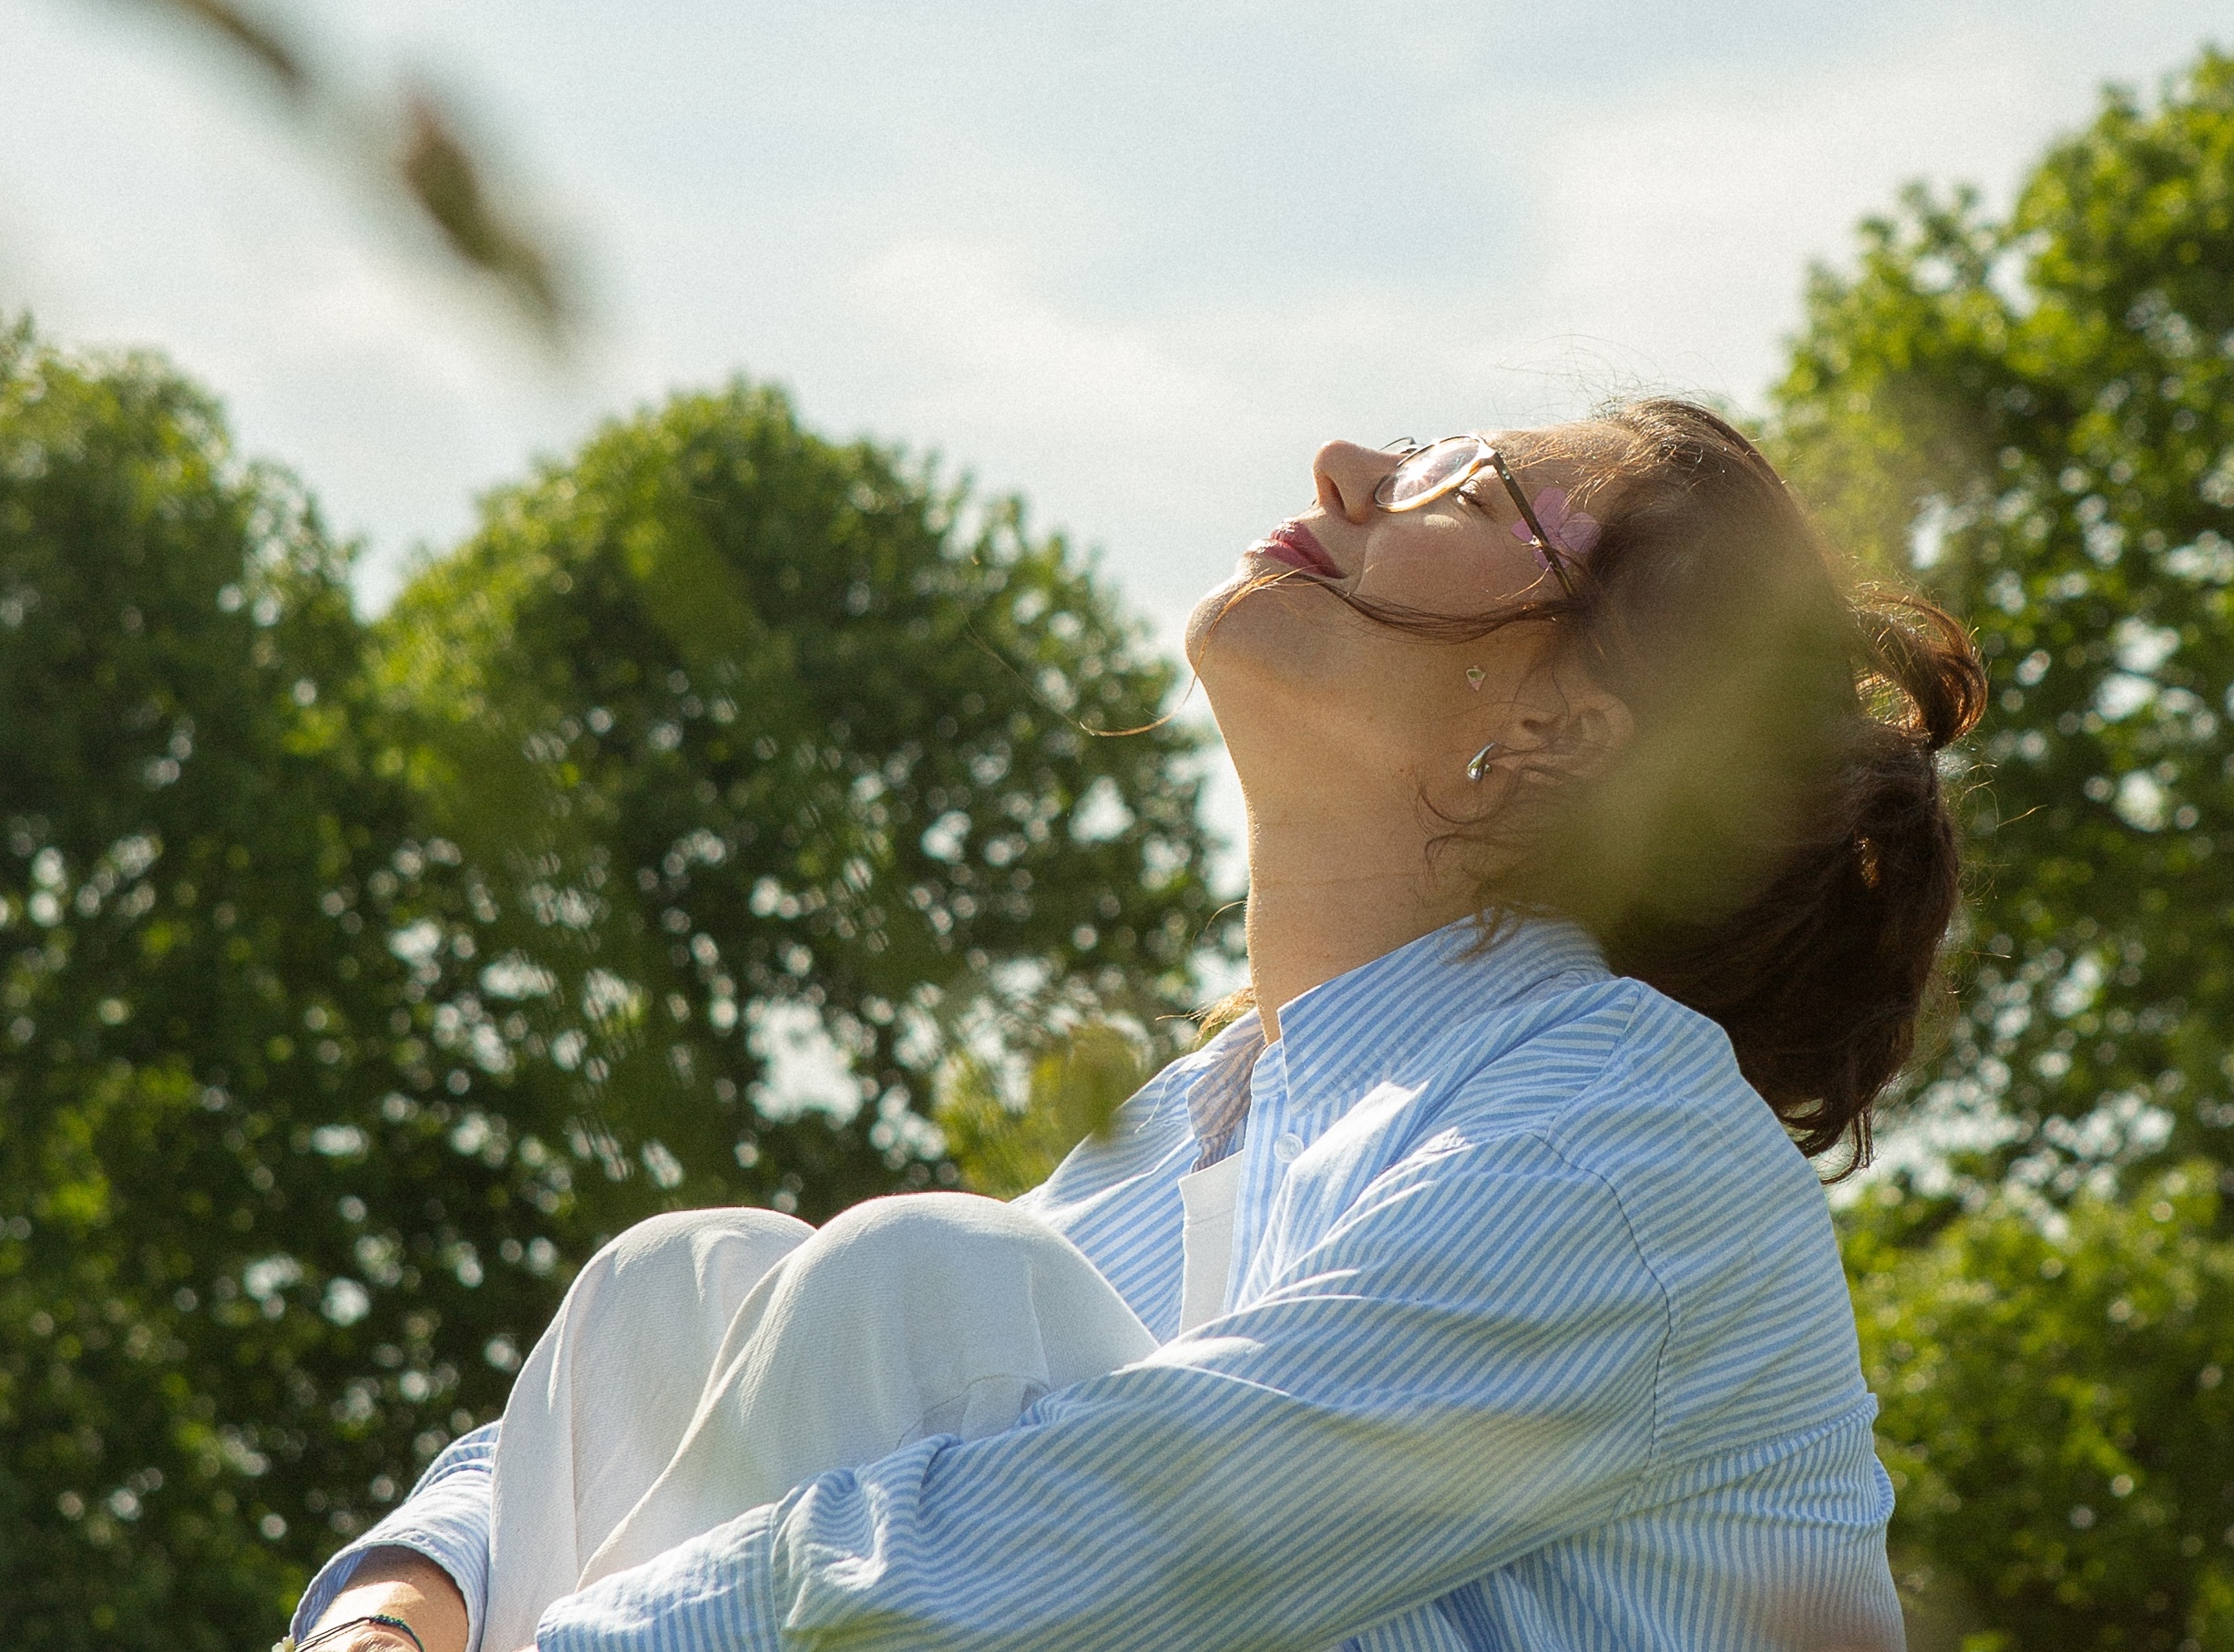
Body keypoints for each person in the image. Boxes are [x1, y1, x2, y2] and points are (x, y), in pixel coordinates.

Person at [283, 400, 1984, 1652]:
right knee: (691, 1279)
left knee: (911, 1285)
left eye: (1475, 494)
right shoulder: (1206, 1118)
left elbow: (1108, 1531)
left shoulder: (1623, 1132)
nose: (1350, 467)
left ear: (1563, 729)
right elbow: (577, 1441)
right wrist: (399, 1599)